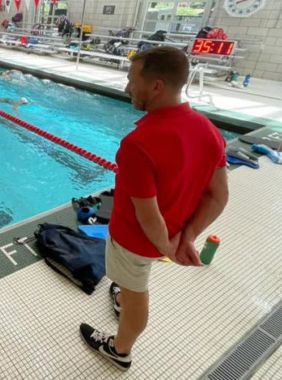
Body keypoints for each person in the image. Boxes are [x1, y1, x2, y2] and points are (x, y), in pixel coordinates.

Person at [79, 46, 229, 370]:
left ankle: (120, 350)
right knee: (132, 283)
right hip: (169, 233)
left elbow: (148, 218)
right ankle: (122, 297)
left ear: (157, 86)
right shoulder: (209, 130)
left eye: (133, 80)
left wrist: (170, 249)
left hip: (136, 240)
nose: (127, 88)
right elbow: (218, 197)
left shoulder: (138, 145)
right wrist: (186, 237)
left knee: (137, 292)